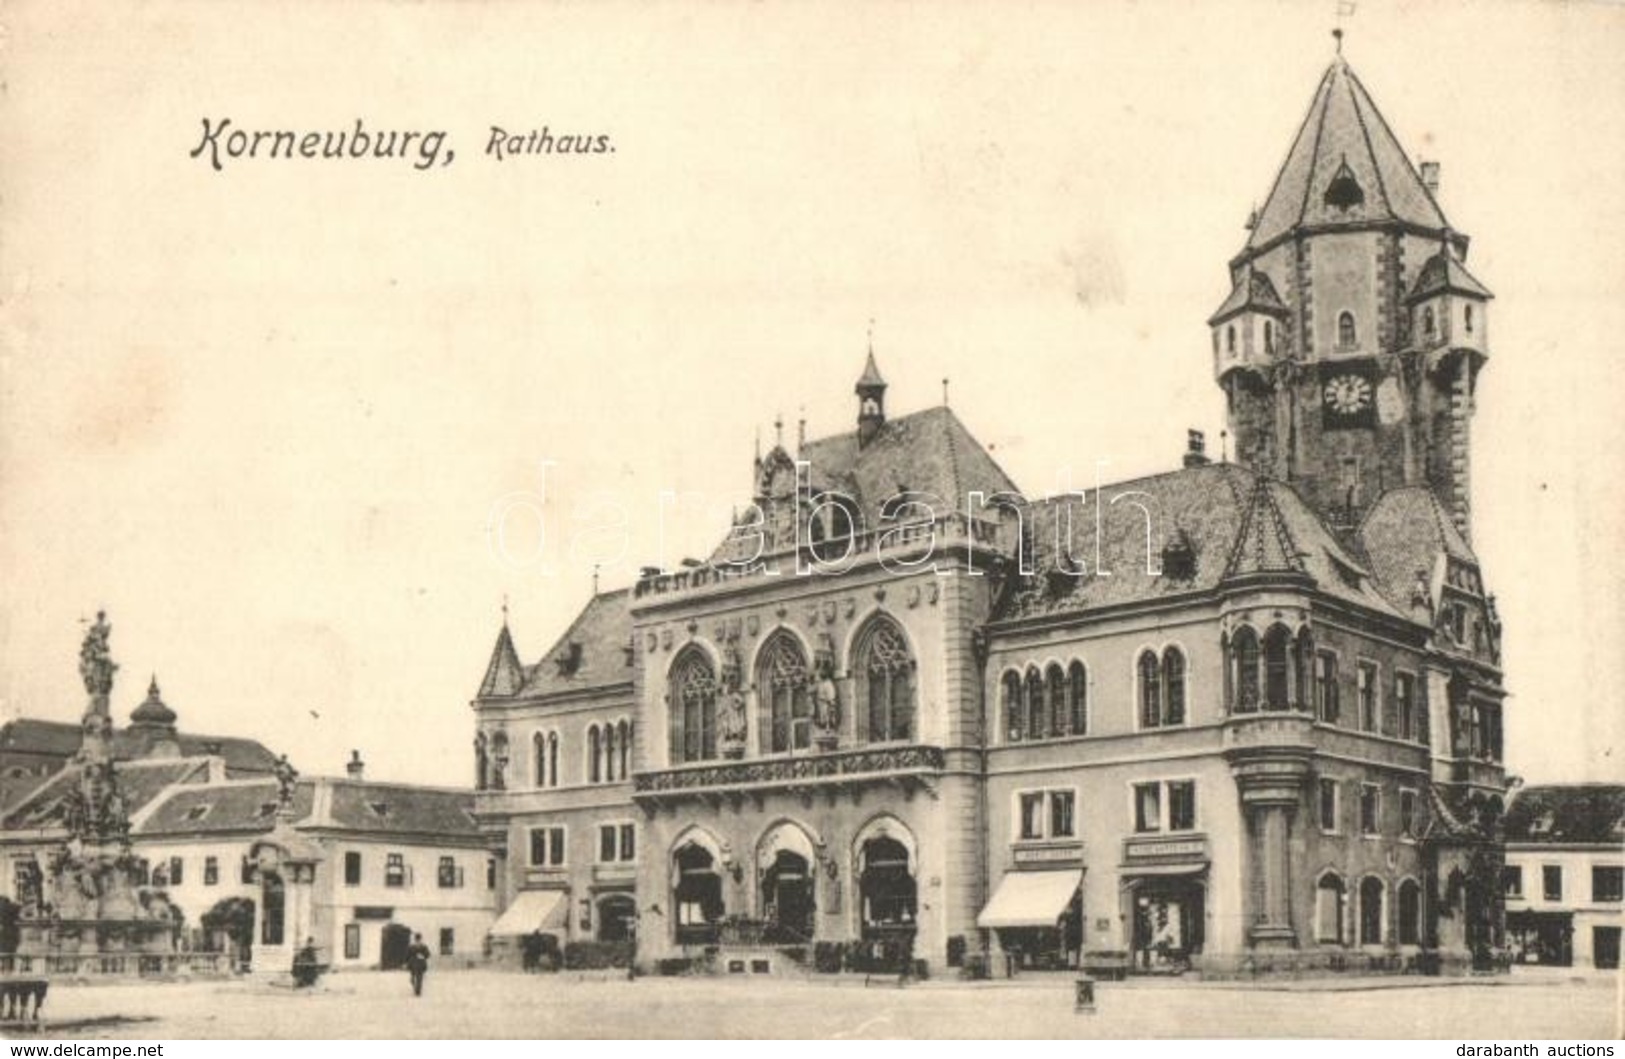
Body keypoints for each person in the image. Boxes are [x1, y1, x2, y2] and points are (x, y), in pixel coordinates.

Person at [405, 932, 431, 997]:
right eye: (418, 940)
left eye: (418, 940)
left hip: (416, 964)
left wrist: (422, 955)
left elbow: (427, 955)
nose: (418, 941)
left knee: (418, 978)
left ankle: (417, 991)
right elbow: (428, 955)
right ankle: (416, 989)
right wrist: (423, 956)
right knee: (416, 978)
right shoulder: (413, 947)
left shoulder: (422, 947)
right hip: (416, 964)